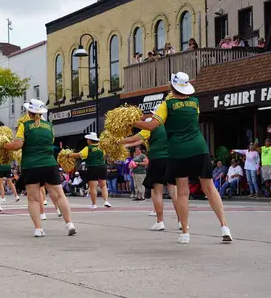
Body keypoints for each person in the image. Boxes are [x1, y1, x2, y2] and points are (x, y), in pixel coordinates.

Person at [134, 72, 232, 244]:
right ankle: (224, 226)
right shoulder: (195, 102)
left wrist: (131, 122)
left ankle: (185, 232)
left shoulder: (167, 105)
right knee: (209, 188)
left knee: (183, 192)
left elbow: (152, 125)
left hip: (179, 151)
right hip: (200, 148)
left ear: (172, 86)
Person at [4, 99, 76, 237]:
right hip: (49, 163)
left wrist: (4, 146)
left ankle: (38, 229)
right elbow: (50, 142)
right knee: (59, 195)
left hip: (31, 165)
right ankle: (69, 224)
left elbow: (17, 145)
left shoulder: (24, 126)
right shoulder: (50, 126)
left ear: (29, 112)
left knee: (33, 199)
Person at [121, 115, 180, 231]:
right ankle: (182, 222)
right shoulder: (171, 126)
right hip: (171, 159)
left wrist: (119, 141)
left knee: (157, 192)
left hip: (157, 159)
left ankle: (160, 221)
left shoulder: (152, 127)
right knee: (174, 192)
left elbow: (136, 138)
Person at [69, 132, 112, 209]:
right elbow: (104, 155)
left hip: (92, 167)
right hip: (102, 167)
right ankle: (106, 201)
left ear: (89, 140)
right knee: (103, 185)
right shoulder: (102, 147)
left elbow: (78, 155)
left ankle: (94, 204)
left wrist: (68, 155)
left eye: (87, 139)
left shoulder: (88, 148)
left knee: (93, 187)